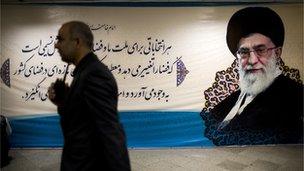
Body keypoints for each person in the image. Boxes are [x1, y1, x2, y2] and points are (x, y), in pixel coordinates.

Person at [202, 7, 303, 146]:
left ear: (277, 52)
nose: (252, 60)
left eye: (260, 50)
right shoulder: (237, 97)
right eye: (244, 52)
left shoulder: (295, 96)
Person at [48, 21, 130, 171]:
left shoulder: (95, 75)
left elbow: (111, 133)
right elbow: (82, 122)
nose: (56, 45)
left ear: (77, 42)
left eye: (60, 39)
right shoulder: (83, 71)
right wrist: (63, 102)